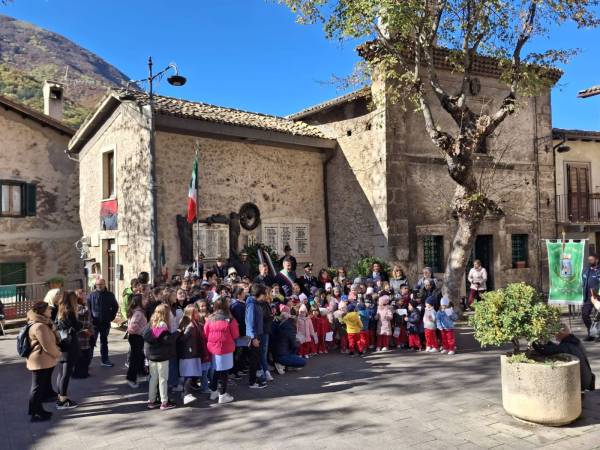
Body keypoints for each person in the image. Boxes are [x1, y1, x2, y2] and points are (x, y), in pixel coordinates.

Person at [26, 301, 61, 422]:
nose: (51, 311)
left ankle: (37, 410)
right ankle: (35, 413)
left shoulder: (43, 323)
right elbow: (48, 346)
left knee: (39, 387)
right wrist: (58, 354)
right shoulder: (39, 326)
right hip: (39, 360)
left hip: (43, 359)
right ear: (43, 311)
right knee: (37, 387)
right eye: (49, 309)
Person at [533, 324, 595, 392]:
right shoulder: (574, 340)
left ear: (561, 333)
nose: (555, 336)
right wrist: (547, 342)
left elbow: (546, 351)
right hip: (588, 377)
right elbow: (557, 348)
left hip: (582, 382)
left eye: (556, 333)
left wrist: (533, 342)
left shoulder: (567, 345)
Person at [143, 304, 179, 410]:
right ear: (166, 314)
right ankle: (164, 402)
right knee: (163, 379)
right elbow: (168, 340)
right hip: (162, 356)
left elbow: (146, 337)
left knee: (153, 378)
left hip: (151, 356)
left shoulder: (150, 324)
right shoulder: (163, 325)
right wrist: (177, 333)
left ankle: (151, 401)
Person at [204, 297, 239, 404]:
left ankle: (214, 391)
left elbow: (205, 332)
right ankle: (222, 395)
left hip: (213, 349)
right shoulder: (230, 319)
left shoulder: (210, 318)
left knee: (216, 370)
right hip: (226, 348)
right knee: (224, 372)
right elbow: (236, 334)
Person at [54, 291, 83, 410]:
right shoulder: (69, 312)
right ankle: (63, 400)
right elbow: (76, 326)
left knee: (61, 373)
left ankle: (59, 396)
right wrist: (79, 323)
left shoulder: (60, 311)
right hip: (70, 346)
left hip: (62, 344)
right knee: (66, 374)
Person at [178, 305, 206, 405]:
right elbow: (181, 339)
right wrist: (188, 331)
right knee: (188, 374)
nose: (198, 314)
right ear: (191, 314)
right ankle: (186, 394)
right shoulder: (187, 324)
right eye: (196, 312)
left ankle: (185, 393)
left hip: (194, 352)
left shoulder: (195, 323)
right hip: (188, 353)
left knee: (191, 374)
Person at [87, 277, 119, 367]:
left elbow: (115, 306)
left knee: (104, 342)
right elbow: (88, 308)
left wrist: (111, 317)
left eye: (101, 284)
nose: (99, 286)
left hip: (105, 322)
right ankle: (87, 362)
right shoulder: (91, 295)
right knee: (91, 342)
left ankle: (105, 360)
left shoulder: (110, 295)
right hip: (94, 323)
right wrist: (90, 319)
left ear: (105, 284)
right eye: (97, 284)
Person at [272, 305, 306, 374]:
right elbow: (294, 345)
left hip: (277, 351)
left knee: (294, 352)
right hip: (282, 355)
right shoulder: (289, 327)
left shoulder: (279, 324)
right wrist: (299, 341)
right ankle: (281, 364)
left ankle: (286, 365)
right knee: (303, 361)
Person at [245, 284, 267, 388]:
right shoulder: (251, 305)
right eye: (264, 294)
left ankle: (255, 379)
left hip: (258, 334)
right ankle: (252, 382)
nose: (265, 296)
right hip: (254, 336)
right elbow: (250, 323)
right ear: (259, 294)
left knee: (256, 359)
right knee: (253, 360)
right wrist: (253, 338)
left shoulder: (256, 303)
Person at [126, 294, 148, 388]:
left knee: (140, 356)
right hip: (136, 338)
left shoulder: (138, 311)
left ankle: (141, 373)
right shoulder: (138, 313)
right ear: (139, 301)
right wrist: (142, 331)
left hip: (136, 337)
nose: (146, 300)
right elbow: (131, 327)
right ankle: (131, 378)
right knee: (135, 358)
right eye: (144, 299)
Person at [72, 289, 93, 379]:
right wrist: (83, 330)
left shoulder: (85, 305)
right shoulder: (75, 308)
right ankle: (78, 373)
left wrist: (91, 330)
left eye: (85, 294)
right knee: (80, 356)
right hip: (79, 335)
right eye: (82, 294)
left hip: (87, 335)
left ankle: (84, 372)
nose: (84, 296)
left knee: (86, 355)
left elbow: (89, 320)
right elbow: (74, 323)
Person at [582, 254, 600, 341]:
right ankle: (591, 333)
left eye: (592, 260)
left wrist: (596, 292)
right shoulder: (586, 270)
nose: (590, 261)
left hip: (598, 296)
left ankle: (598, 335)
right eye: (589, 260)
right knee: (585, 314)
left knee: (598, 316)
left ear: (597, 260)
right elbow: (583, 280)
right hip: (588, 296)